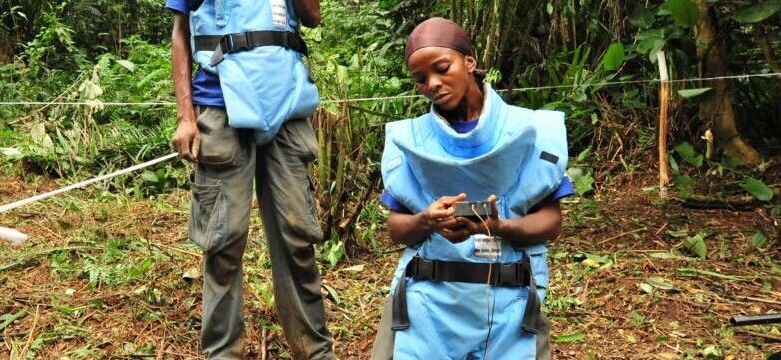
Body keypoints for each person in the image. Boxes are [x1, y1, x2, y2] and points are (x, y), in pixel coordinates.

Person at [369, 17, 574, 359]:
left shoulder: (532, 131)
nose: (432, 83)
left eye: (442, 68)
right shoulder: (410, 141)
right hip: (428, 302)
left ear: (469, 62)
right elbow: (397, 229)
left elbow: (551, 222)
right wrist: (426, 220)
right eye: (421, 79)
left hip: (511, 301)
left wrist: (499, 227)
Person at [166, 0, 333, 358]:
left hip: (287, 105)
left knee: (297, 237)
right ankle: (223, 352)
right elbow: (181, 32)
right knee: (223, 242)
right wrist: (186, 116)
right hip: (220, 102)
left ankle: (314, 351)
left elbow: (313, 17)